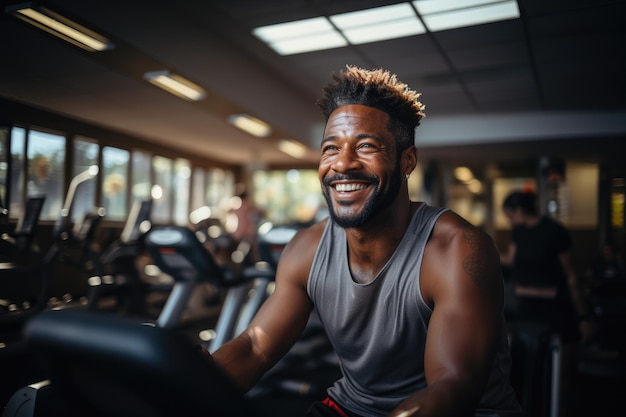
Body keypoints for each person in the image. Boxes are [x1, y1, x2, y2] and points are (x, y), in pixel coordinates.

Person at [209, 66, 523, 417]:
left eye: (366, 146)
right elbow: (255, 347)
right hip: (351, 407)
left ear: (407, 161)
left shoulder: (457, 249)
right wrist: (184, 389)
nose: (342, 163)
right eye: (331, 148)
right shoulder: (306, 249)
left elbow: (452, 385)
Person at [499, 190, 591, 416]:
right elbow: (510, 260)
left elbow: (570, 274)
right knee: (525, 370)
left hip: (554, 309)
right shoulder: (518, 231)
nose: (510, 220)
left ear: (519, 210)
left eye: (510, 215)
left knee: (561, 372)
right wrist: (481, 248)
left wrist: (583, 315)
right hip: (526, 310)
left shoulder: (555, 231)